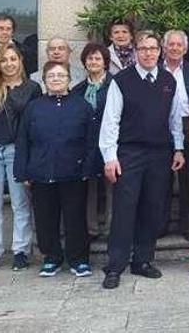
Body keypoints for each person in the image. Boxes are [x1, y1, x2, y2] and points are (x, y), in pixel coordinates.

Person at [99, 32, 187, 289]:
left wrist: (179, 149)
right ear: (135, 51)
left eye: (152, 48)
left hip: (159, 154)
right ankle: (115, 265)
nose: (148, 53)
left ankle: (143, 261)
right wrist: (109, 158)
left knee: (152, 208)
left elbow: (175, 119)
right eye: (143, 49)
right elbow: (110, 121)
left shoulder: (168, 80)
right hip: (129, 154)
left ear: (159, 51)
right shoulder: (122, 80)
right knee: (125, 209)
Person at [14, 62, 99, 277]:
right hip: (41, 173)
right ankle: (51, 257)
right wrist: (22, 171)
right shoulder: (34, 107)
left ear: (69, 79)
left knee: (75, 219)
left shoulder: (82, 106)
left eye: (61, 75)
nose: (56, 79)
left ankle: (78, 259)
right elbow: (23, 140)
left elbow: (91, 140)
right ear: (44, 80)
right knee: (45, 219)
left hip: (74, 173)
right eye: (51, 75)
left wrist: (89, 167)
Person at [0, 44, 41, 272]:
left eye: (13, 59)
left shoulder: (32, 88)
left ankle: (21, 250)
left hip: (16, 151)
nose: (9, 64)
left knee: (20, 203)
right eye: (4, 60)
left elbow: (36, 123)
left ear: (20, 61)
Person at [161, 30, 189, 241]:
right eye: (171, 44)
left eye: (179, 45)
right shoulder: (154, 71)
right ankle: (160, 225)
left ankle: (188, 225)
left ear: (186, 49)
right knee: (160, 180)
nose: (175, 48)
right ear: (164, 47)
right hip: (160, 128)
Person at [71, 43, 113, 238]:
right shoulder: (78, 89)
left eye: (98, 58)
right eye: (90, 58)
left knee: (112, 187)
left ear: (105, 62)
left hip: (111, 144)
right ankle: (92, 228)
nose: (93, 62)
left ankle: (111, 227)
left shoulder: (115, 85)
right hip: (86, 145)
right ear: (84, 62)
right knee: (90, 189)